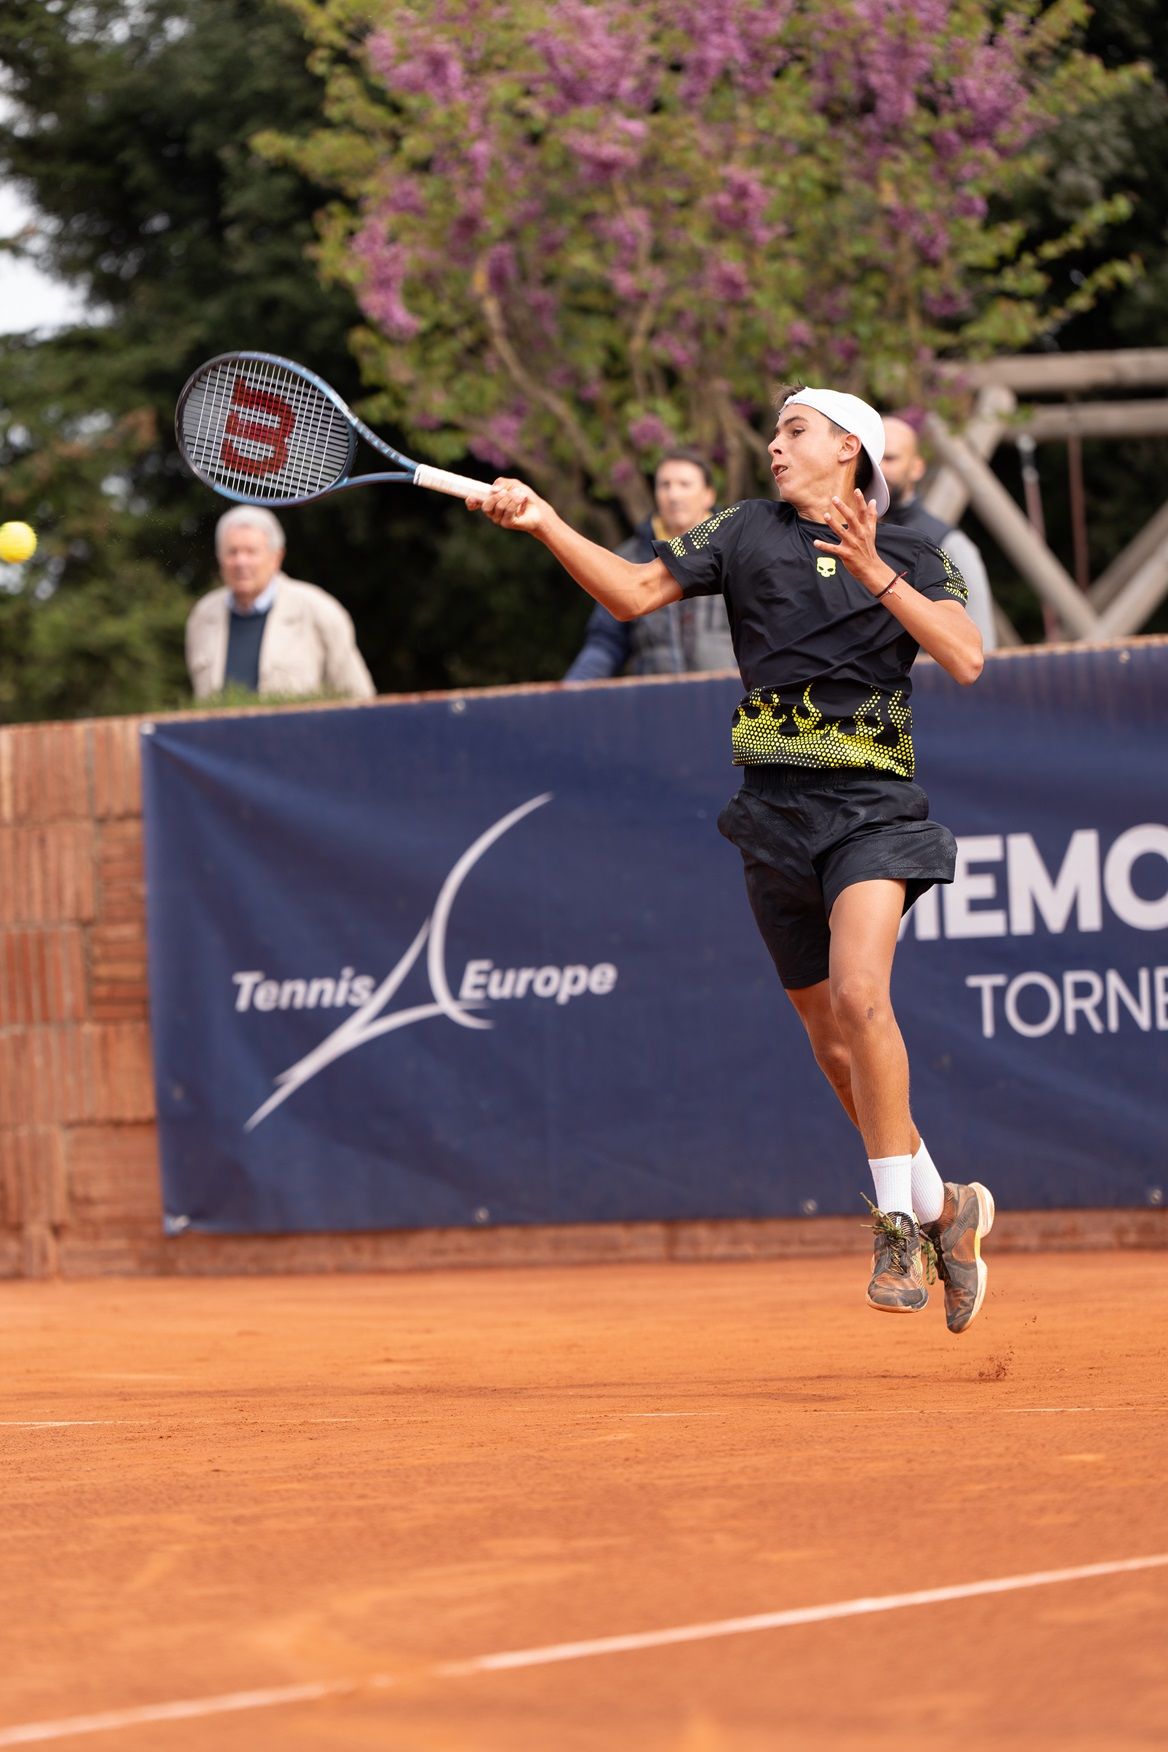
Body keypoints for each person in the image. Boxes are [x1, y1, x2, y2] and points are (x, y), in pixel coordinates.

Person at [472, 385, 994, 1333]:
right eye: (776, 431)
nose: (772, 445)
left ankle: (892, 1227)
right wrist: (544, 520)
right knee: (833, 1045)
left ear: (849, 449)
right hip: (772, 816)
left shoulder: (921, 549)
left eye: (795, 432)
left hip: (873, 810)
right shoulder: (744, 528)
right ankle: (943, 1208)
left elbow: (965, 656)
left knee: (860, 996)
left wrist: (878, 572)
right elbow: (632, 593)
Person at [565, 451, 735, 679]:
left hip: (732, 703)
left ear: (709, 495)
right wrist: (570, 692)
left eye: (685, 484)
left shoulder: (738, 549)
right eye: (665, 485)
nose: (673, 495)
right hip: (655, 702)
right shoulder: (629, 556)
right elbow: (606, 641)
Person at [185, 506, 376, 702]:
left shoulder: (318, 610)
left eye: (251, 552)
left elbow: (358, 698)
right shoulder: (202, 616)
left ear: (276, 557)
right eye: (232, 552)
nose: (241, 561)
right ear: (220, 558)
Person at [881, 413, 998, 651]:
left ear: (916, 467)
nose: (879, 469)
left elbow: (978, 648)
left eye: (890, 458)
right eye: (872, 459)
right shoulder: (841, 535)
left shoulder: (948, 544)